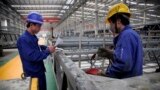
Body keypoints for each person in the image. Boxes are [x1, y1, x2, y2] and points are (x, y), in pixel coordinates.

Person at [96, 3, 143, 79]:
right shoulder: (132, 34)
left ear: (118, 21)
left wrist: (107, 74)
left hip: (126, 83)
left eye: (110, 23)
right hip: (134, 81)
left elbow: (124, 64)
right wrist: (113, 54)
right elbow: (128, 57)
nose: (110, 27)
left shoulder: (126, 36)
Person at [17, 12, 55, 90]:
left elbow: (35, 47)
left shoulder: (32, 36)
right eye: (39, 26)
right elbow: (32, 56)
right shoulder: (23, 39)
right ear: (31, 25)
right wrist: (48, 51)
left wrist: (45, 47)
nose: (40, 28)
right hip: (33, 73)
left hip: (38, 70)